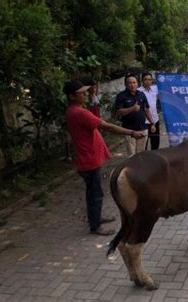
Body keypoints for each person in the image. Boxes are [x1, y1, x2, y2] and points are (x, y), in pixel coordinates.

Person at [64, 80, 145, 236]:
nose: (85, 94)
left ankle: (97, 218)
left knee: (94, 192)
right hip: (89, 159)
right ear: (72, 96)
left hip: (88, 158)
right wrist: (131, 133)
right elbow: (107, 126)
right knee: (95, 193)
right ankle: (95, 226)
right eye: (82, 93)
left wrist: (93, 96)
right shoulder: (80, 113)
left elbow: (96, 115)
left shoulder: (74, 110)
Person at [115, 73, 155, 155]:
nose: (132, 85)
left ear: (137, 83)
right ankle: (133, 168)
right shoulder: (121, 96)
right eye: (130, 83)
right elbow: (118, 112)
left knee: (141, 154)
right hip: (129, 131)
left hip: (143, 128)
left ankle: (141, 168)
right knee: (132, 155)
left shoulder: (141, 94)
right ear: (126, 84)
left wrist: (152, 123)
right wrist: (132, 109)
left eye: (134, 82)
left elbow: (147, 109)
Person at [138, 72, 160, 150]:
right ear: (142, 81)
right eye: (145, 79)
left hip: (155, 120)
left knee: (155, 143)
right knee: (144, 144)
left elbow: (167, 88)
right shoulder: (138, 92)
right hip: (144, 122)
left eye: (149, 80)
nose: (147, 81)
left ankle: (155, 160)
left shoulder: (155, 89)